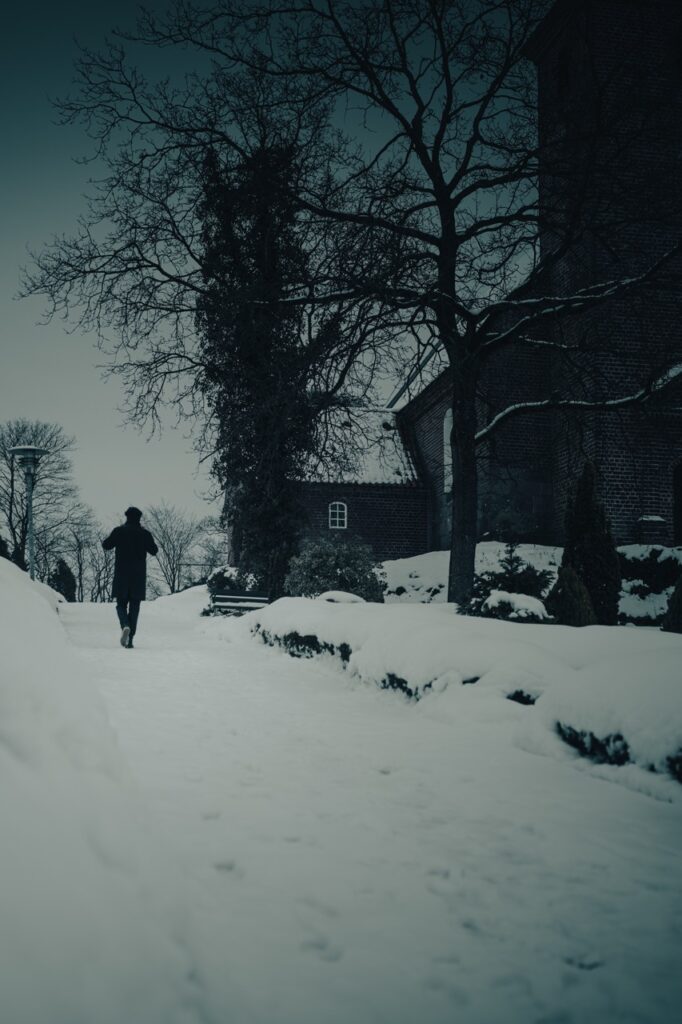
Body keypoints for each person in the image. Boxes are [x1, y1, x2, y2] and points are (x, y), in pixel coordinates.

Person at [102, 507, 158, 649]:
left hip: (121, 574)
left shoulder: (119, 531)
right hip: (138, 576)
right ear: (139, 518)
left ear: (126, 517)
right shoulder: (144, 534)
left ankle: (125, 625)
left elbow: (106, 545)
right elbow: (154, 551)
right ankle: (130, 639)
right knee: (135, 607)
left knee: (121, 604)